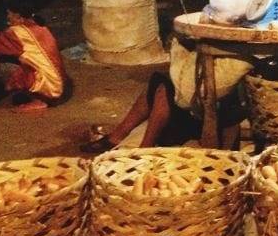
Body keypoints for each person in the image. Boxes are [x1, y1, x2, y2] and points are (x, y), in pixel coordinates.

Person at [80, 37, 251, 153]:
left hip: (208, 117)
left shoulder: (235, 66)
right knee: (160, 81)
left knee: (164, 88)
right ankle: (118, 135)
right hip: (196, 110)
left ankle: (144, 149)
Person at [0, 0, 69, 112]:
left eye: (9, 13)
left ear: (18, 16)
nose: (8, 17)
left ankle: (40, 98)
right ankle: (39, 96)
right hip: (58, 83)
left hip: (51, 87)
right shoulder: (39, 27)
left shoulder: (19, 32)